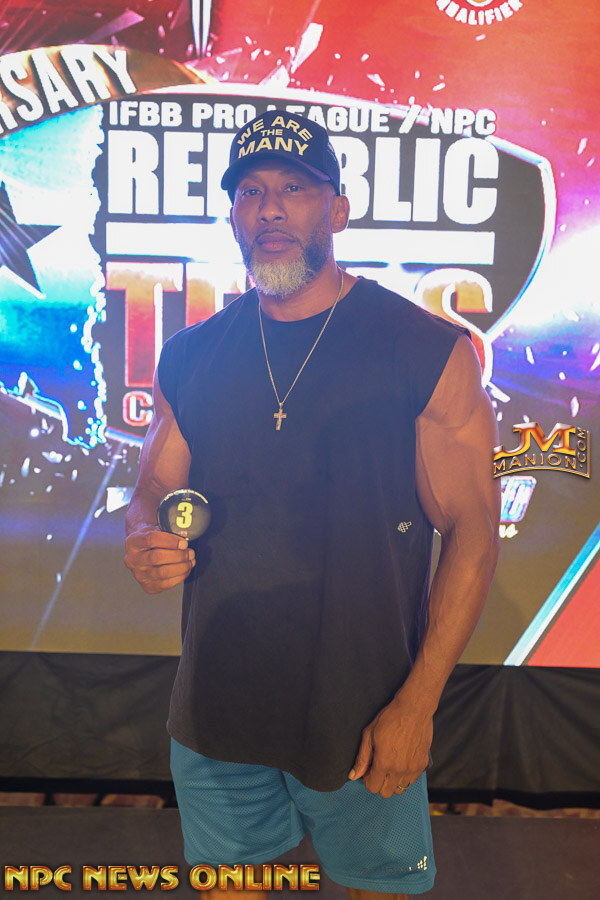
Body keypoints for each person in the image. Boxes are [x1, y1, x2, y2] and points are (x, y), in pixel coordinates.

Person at [124, 110, 501, 898]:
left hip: (363, 711)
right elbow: (155, 487)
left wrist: (418, 704)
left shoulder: (422, 348)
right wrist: (144, 533)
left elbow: (472, 527)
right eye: (250, 192)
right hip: (217, 709)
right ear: (232, 216)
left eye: (294, 189)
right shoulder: (192, 354)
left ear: (338, 209)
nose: (269, 209)